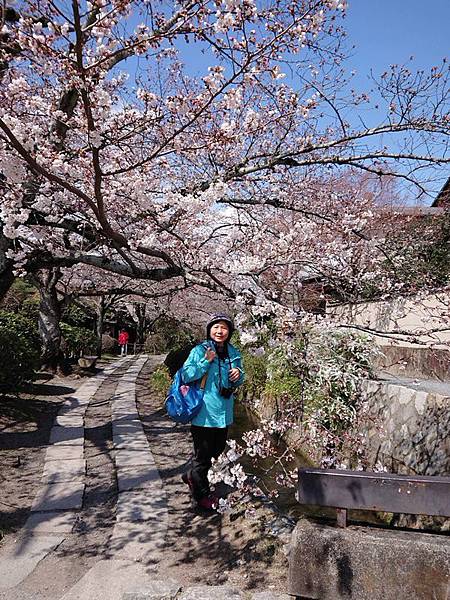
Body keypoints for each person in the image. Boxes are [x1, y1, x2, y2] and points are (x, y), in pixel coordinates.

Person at [181, 313, 245, 510]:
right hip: (204, 413)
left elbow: (239, 380)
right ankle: (201, 497)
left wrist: (238, 375)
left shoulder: (233, 352)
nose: (220, 331)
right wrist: (205, 361)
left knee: (216, 452)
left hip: (223, 413)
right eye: (216, 327)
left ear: (229, 332)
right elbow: (186, 374)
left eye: (224, 327)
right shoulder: (200, 350)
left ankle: (191, 475)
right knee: (203, 456)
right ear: (209, 330)